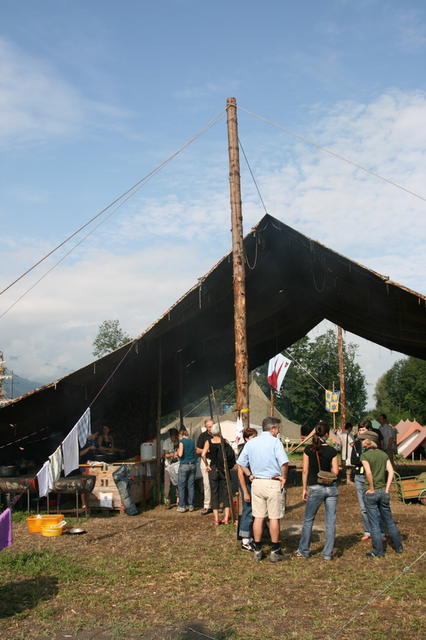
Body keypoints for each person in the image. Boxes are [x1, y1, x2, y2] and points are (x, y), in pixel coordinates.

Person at [237, 416, 288, 563]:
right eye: (277, 428)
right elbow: (283, 462)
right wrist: (284, 477)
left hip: (257, 483)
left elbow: (241, 463)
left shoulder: (252, 443)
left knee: (258, 517)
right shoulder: (275, 442)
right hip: (272, 482)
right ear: (272, 428)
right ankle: (275, 549)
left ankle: (258, 548)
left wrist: (250, 475)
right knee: (274, 517)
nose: (278, 431)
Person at [296, 422, 339, 561]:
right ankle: (327, 553)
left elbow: (305, 471)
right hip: (331, 487)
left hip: (315, 487)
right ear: (327, 434)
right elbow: (336, 471)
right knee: (330, 521)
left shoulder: (309, 449)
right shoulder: (332, 451)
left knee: (309, 520)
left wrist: (304, 488)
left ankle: (304, 550)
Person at [361, 438, 403, 558]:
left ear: (367, 443)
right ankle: (398, 547)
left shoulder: (365, 455)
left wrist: (372, 487)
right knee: (389, 521)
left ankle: (378, 551)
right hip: (383, 492)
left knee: (374, 524)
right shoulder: (383, 454)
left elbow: (368, 473)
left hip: (372, 493)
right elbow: (391, 471)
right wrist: (387, 488)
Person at [202, 424, 236, 526]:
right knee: (226, 493)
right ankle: (225, 518)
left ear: (212, 432)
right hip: (224, 469)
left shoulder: (208, 442)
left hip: (213, 469)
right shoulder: (224, 441)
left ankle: (216, 519)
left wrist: (207, 465)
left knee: (214, 493)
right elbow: (231, 454)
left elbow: (203, 454)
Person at [237, 427, 258, 550]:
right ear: (246, 439)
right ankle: (245, 540)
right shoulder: (244, 451)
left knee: (255, 511)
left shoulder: (254, 449)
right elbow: (240, 472)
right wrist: (245, 491)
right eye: (252, 437)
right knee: (248, 510)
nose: (255, 440)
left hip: (253, 484)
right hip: (246, 484)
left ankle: (251, 537)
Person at [196, 418, 213, 515]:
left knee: (216, 483)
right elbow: (197, 450)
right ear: (206, 427)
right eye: (209, 426)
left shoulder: (218, 434)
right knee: (207, 484)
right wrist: (207, 450)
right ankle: (207, 505)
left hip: (216, 461)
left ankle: (216, 504)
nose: (211, 428)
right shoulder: (203, 436)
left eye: (212, 426)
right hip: (205, 460)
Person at [176, 427, 197, 512]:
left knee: (181, 486)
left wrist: (177, 451)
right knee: (191, 486)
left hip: (184, 465)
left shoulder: (182, 442)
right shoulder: (192, 442)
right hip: (192, 465)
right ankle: (191, 505)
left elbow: (180, 454)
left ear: (181, 435)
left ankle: (182, 506)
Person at [162, 428, 179, 509]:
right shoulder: (166, 442)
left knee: (178, 483)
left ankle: (178, 500)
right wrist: (173, 455)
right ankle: (167, 501)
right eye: (172, 436)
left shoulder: (179, 441)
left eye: (175, 436)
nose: (174, 438)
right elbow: (165, 455)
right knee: (167, 484)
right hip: (168, 465)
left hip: (177, 465)